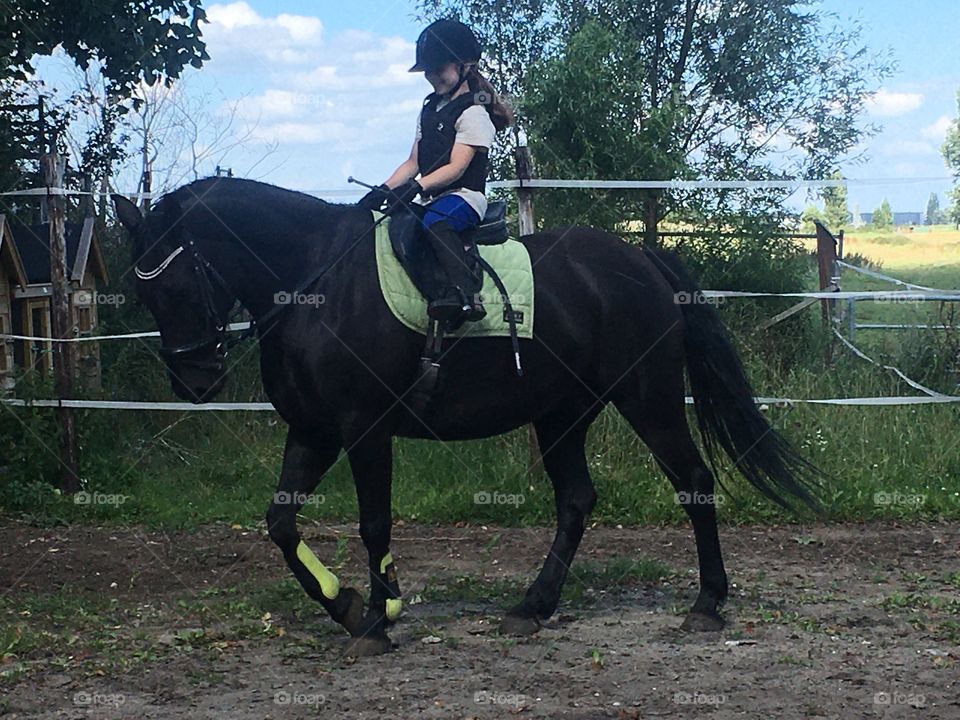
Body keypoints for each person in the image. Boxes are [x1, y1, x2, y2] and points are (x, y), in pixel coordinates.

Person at [358, 19, 513, 324]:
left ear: (464, 66)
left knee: (437, 221)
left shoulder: (474, 113)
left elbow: (457, 167)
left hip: (464, 197)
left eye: (438, 68)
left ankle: (467, 295)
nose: (431, 76)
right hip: (433, 195)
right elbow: (413, 162)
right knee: (398, 221)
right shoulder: (429, 109)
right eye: (427, 70)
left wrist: (417, 188)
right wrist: (384, 190)